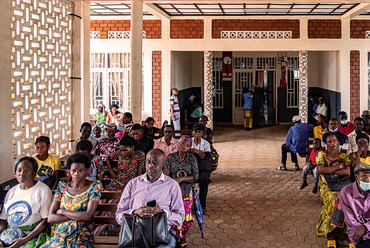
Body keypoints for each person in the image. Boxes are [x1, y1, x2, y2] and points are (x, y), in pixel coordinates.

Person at [115, 149, 185, 248]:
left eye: (155, 163)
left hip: (160, 236)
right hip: (134, 235)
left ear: (163, 163)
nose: (151, 166)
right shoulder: (133, 184)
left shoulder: (172, 185)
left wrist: (162, 212)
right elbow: (119, 215)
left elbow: (180, 217)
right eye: (148, 162)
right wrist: (135, 212)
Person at [41, 153, 102, 248]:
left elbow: (88, 216)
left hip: (81, 236)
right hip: (59, 236)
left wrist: (62, 211)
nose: (77, 173)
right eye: (74, 170)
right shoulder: (62, 186)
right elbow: (51, 218)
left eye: (81, 170)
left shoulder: (94, 186)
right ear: (69, 171)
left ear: (86, 171)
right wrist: (78, 216)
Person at [0, 157, 52, 248]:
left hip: (33, 234)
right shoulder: (11, 192)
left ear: (33, 173)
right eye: (19, 170)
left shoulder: (43, 190)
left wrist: (24, 239)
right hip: (10, 234)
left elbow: (45, 220)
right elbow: (3, 220)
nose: (22, 173)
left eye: (27, 170)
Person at [315, 133, 352, 247]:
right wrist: (338, 167)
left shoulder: (343, 156)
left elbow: (347, 172)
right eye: (329, 142)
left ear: (337, 141)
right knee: (335, 199)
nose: (332, 144)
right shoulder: (321, 155)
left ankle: (349, 232)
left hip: (343, 185)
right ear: (326, 143)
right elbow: (321, 170)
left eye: (334, 141)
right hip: (327, 186)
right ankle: (332, 234)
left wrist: (330, 169)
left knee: (350, 199)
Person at [164, 136, 199, 247]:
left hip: (187, 188)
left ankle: (182, 236)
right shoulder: (171, 157)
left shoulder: (191, 158)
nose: (184, 147)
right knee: (172, 211)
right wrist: (177, 185)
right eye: (182, 144)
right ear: (178, 145)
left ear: (190, 148)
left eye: (188, 145)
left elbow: (196, 176)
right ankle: (173, 236)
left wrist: (181, 179)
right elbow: (166, 175)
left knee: (185, 213)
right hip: (172, 188)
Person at [341, 163, 370, 248]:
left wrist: (366, 227)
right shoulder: (346, 192)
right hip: (356, 230)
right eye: (363, 176)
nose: (367, 179)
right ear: (356, 177)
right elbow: (351, 220)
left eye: (369, 176)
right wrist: (362, 230)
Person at [190, 124, 211, 213]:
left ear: (202, 133)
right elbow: (184, 151)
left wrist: (193, 152)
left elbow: (206, 156)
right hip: (189, 168)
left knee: (204, 178)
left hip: (201, 168)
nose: (197, 134)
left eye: (199, 132)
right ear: (192, 133)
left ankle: (202, 204)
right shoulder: (188, 141)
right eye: (196, 132)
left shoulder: (205, 143)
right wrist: (196, 151)